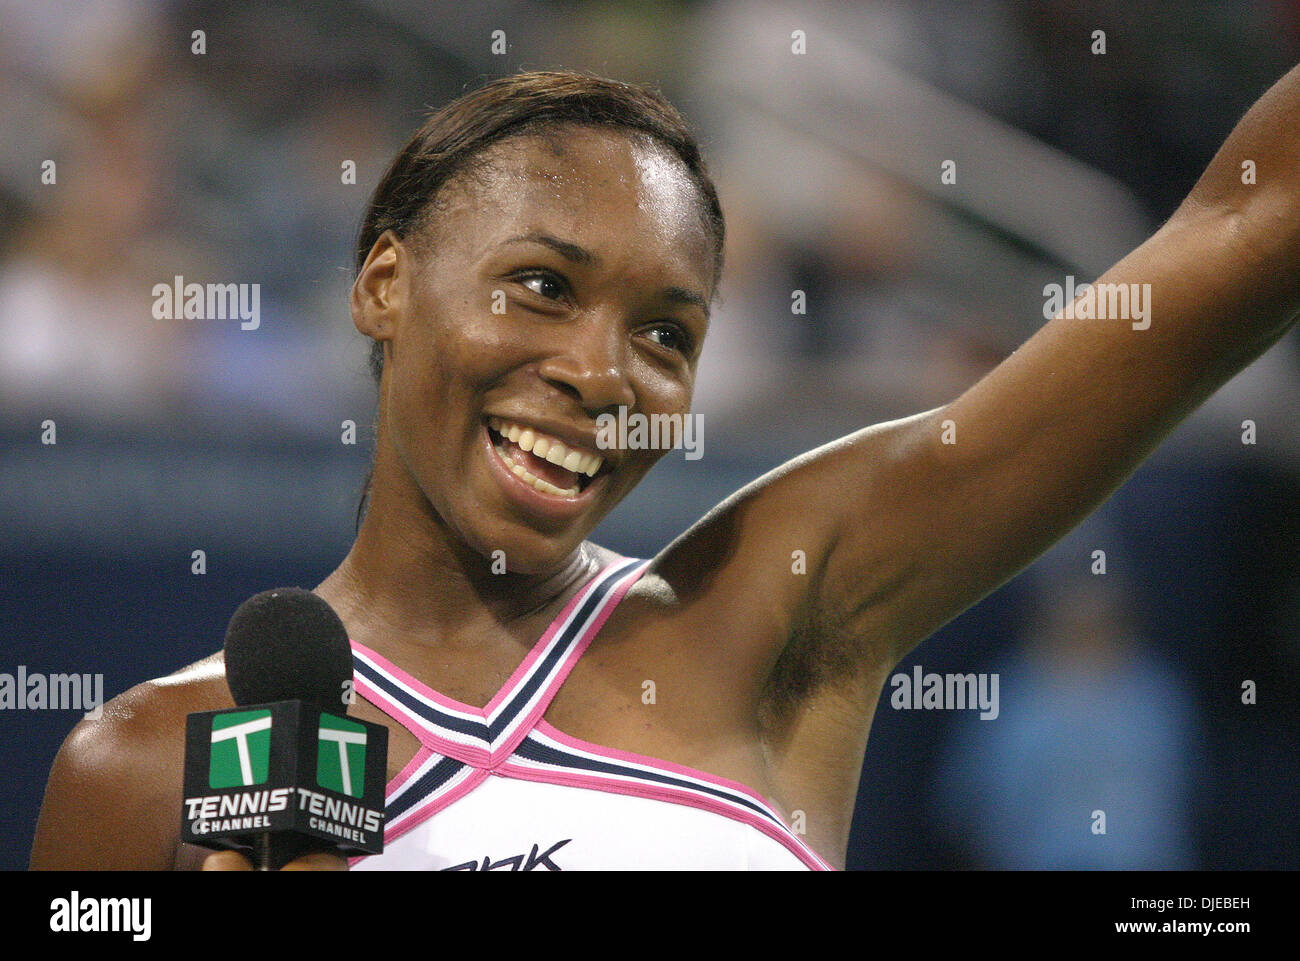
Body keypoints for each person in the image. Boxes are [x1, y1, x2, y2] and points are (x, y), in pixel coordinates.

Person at [29, 68, 1300, 870]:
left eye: (666, 335)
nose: (603, 372)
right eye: (541, 286)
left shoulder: (777, 615)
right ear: (382, 283)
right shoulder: (145, 763)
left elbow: (1243, 226)